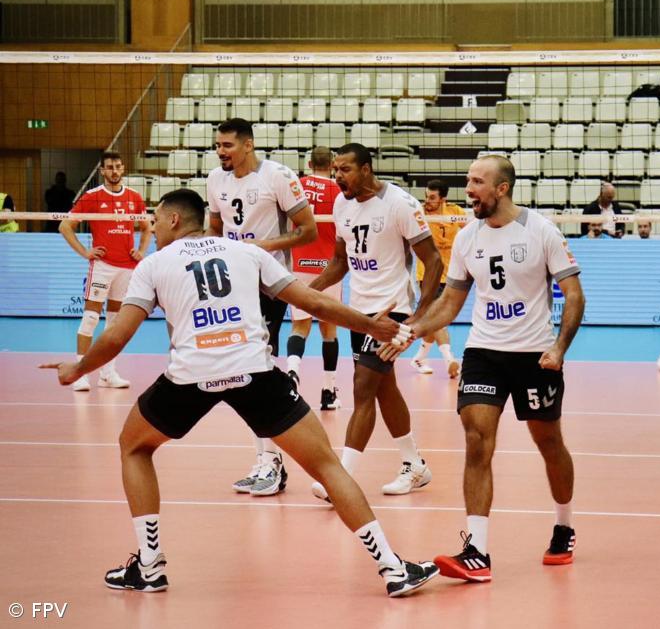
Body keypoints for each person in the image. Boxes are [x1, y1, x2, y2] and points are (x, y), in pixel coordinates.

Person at [40, 189, 439, 598]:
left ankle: (150, 566)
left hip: (190, 377)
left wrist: (78, 367)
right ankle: (392, 568)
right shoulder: (246, 252)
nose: (152, 227)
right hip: (254, 372)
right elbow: (310, 300)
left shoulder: (155, 265)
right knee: (327, 466)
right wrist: (370, 325)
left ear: (174, 220)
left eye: (155, 219)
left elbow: (120, 333)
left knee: (133, 447)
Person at [380, 154, 585, 582]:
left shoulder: (540, 231)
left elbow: (574, 294)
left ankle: (564, 525)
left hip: (534, 356)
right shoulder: (468, 236)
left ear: (501, 188)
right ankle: (477, 551)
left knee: (548, 441)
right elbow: (451, 302)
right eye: (468, 180)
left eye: (476, 182)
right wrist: (412, 329)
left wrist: (560, 348)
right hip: (484, 353)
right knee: (476, 440)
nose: (468, 189)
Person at [309, 143, 444, 499]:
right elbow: (340, 262)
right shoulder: (341, 205)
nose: (338, 176)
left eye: (345, 169)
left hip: (393, 310)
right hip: (359, 311)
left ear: (366, 169)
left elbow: (433, 262)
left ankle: (339, 479)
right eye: (335, 169)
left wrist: (417, 318)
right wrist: (305, 291)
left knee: (363, 385)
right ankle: (414, 464)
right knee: (385, 389)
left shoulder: (399, 203)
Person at [206, 118, 319, 497]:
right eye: (218, 145)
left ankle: (270, 462)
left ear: (248, 145)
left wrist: (261, 248)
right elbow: (214, 230)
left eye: (227, 145)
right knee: (244, 369)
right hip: (232, 283)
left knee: (254, 369)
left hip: (268, 283)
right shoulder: (215, 180)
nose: (221, 152)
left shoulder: (277, 177)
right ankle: (268, 460)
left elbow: (309, 230)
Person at [59, 152, 151, 391]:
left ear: (123, 168)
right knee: (90, 319)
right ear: (102, 170)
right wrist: (85, 252)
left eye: (118, 167)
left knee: (114, 323)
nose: (114, 171)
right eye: (110, 167)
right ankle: (80, 373)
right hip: (103, 266)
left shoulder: (134, 197)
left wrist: (141, 250)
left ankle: (108, 374)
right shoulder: (92, 197)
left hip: (127, 268)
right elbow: (65, 225)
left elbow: (147, 226)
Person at [284, 147, 343, 410]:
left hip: (299, 264)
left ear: (308, 163)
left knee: (300, 326)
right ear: (332, 164)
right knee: (329, 331)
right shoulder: (338, 190)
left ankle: (292, 372)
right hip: (329, 267)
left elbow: (287, 225)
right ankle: (328, 392)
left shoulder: (297, 186)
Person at [410, 179, 466, 378]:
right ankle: (449, 359)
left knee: (436, 318)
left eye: (433, 197)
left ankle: (419, 357)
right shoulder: (421, 213)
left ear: (443, 198)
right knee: (438, 317)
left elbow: (471, 230)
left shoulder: (455, 212)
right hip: (427, 274)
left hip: (450, 273)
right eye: (426, 196)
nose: (428, 201)